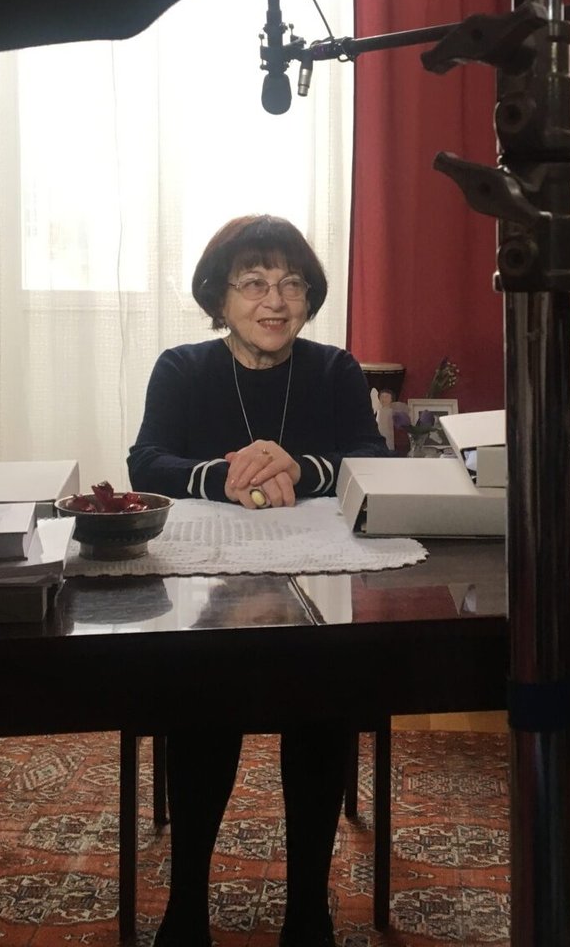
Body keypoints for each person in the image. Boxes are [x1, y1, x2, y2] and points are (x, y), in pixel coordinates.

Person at [127, 213, 389, 947]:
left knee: (322, 693)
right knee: (204, 694)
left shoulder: (335, 370)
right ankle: (186, 904)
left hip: (320, 581)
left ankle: (308, 909)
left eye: (291, 284)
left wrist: (298, 468)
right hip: (207, 583)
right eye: (253, 283)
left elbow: (374, 458)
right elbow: (147, 462)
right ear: (220, 296)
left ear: (308, 298)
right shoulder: (182, 368)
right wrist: (229, 475)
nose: (274, 301)